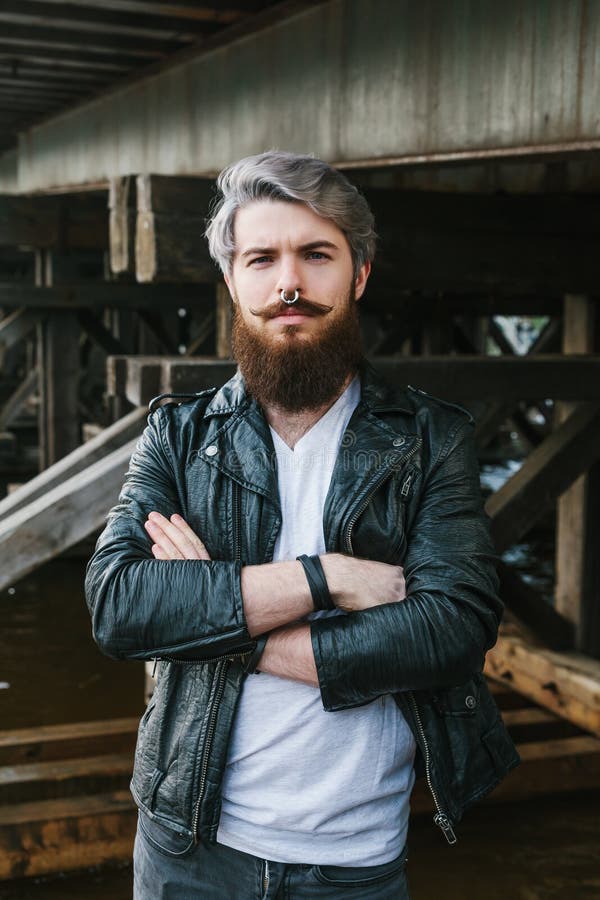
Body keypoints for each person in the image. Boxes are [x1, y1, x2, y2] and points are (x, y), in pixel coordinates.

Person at [85, 150, 519, 899]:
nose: (289, 282)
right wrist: (326, 578)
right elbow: (119, 606)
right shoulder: (179, 437)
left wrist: (212, 617)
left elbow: (453, 628)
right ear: (233, 281)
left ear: (358, 274)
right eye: (262, 258)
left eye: (316, 255)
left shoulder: (429, 439)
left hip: (350, 865)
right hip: (187, 849)